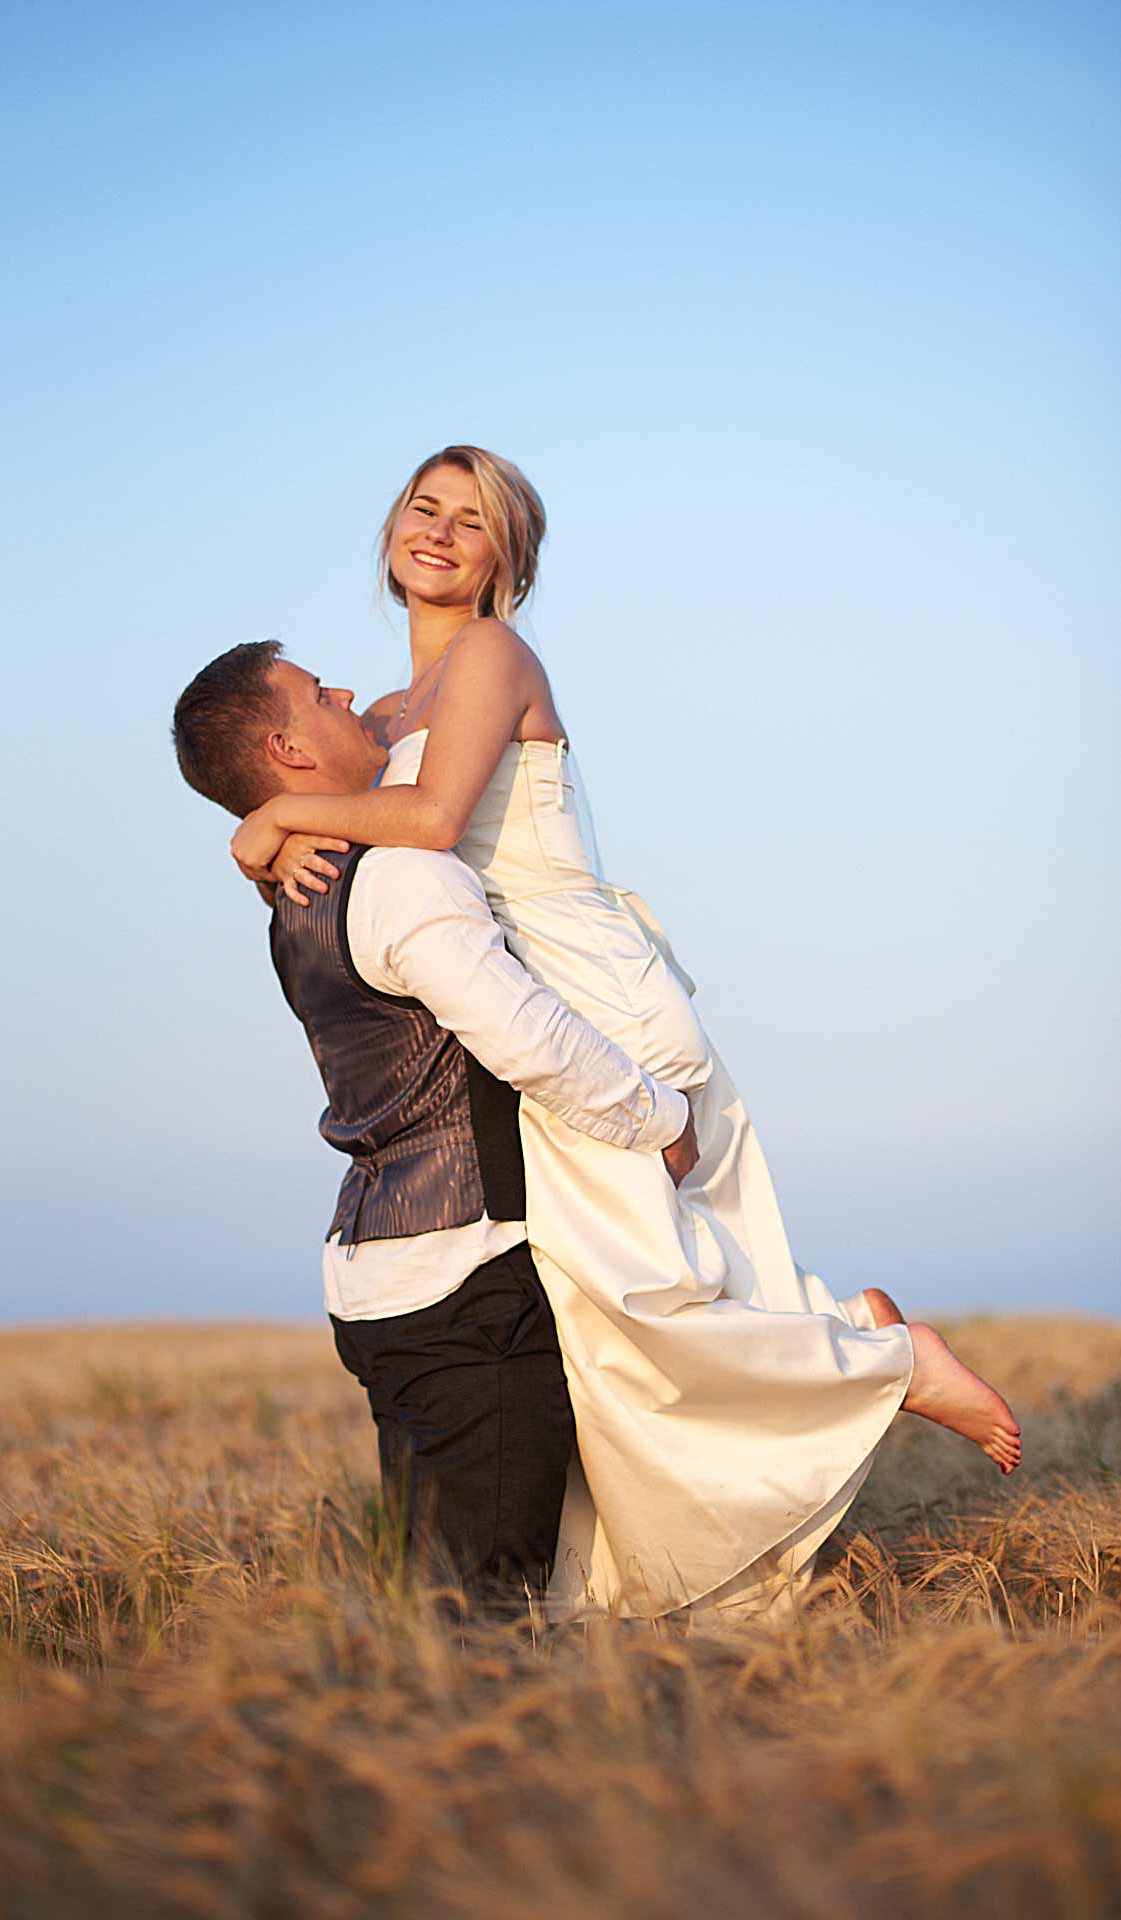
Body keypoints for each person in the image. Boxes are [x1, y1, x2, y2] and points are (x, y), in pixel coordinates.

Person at [224, 446, 1022, 1622]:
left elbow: (432, 820)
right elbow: (356, 890)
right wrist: (262, 847)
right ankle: (844, 1331)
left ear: (509, 563)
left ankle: (888, 1364)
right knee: (606, 1321)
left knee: (641, 1300)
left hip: (590, 1001)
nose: (440, 533)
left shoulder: (492, 658)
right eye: (424, 507)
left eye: (474, 523)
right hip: (520, 1006)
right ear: (390, 528)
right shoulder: (379, 718)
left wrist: (274, 813)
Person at [172, 640, 701, 1616]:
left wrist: (268, 829)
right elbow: (526, 1036)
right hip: (464, 1278)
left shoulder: (292, 899)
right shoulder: (404, 877)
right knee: (485, 1609)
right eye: (315, 692)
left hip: (374, 1282)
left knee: (431, 1596)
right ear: (289, 749)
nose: (342, 690)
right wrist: (658, 1116)